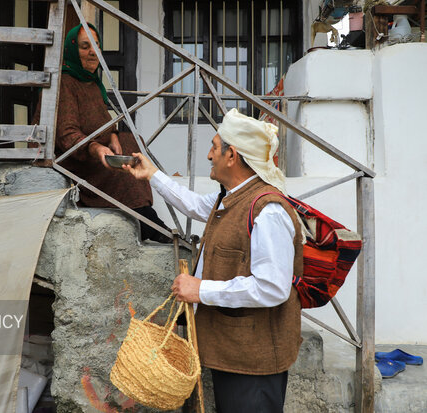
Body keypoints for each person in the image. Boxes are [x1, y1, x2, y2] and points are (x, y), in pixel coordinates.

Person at [124, 108, 303, 413]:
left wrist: (200, 290)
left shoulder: (267, 211)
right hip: (233, 351)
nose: (209, 155)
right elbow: (193, 204)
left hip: (254, 362)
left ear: (232, 155)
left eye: (214, 147)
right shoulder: (230, 197)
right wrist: (151, 175)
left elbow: (273, 288)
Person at [33, 23, 170, 243]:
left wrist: (113, 137)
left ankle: (144, 213)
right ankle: (147, 222)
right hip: (74, 159)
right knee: (120, 164)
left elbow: (103, 122)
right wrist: (96, 148)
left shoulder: (92, 82)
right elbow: (67, 134)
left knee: (131, 142)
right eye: (85, 46)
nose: (92, 52)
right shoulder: (64, 82)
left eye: (96, 45)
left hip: (95, 152)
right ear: (72, 50)